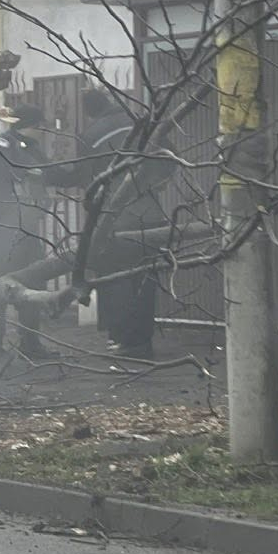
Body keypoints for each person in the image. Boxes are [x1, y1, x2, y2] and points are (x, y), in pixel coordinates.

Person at [60, 89, 169, 357]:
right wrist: (152, 185)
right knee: (145, 280)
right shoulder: (141, 124)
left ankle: (122, 339)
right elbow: (168, 162)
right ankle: (141, 340)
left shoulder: (91, 135)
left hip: (114, 219)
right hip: (151, 217)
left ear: (89, 111)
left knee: (116, 279)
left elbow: (83, 176)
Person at [0, 102, 51, 359]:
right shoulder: (2, 145)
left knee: (33, 278)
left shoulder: (31, 147)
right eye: (40, 126)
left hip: (27, 225)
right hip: (2, 226)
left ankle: (31, 343)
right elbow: (15, 171)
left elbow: (51, 172)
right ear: (29, 126)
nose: (43, 132)